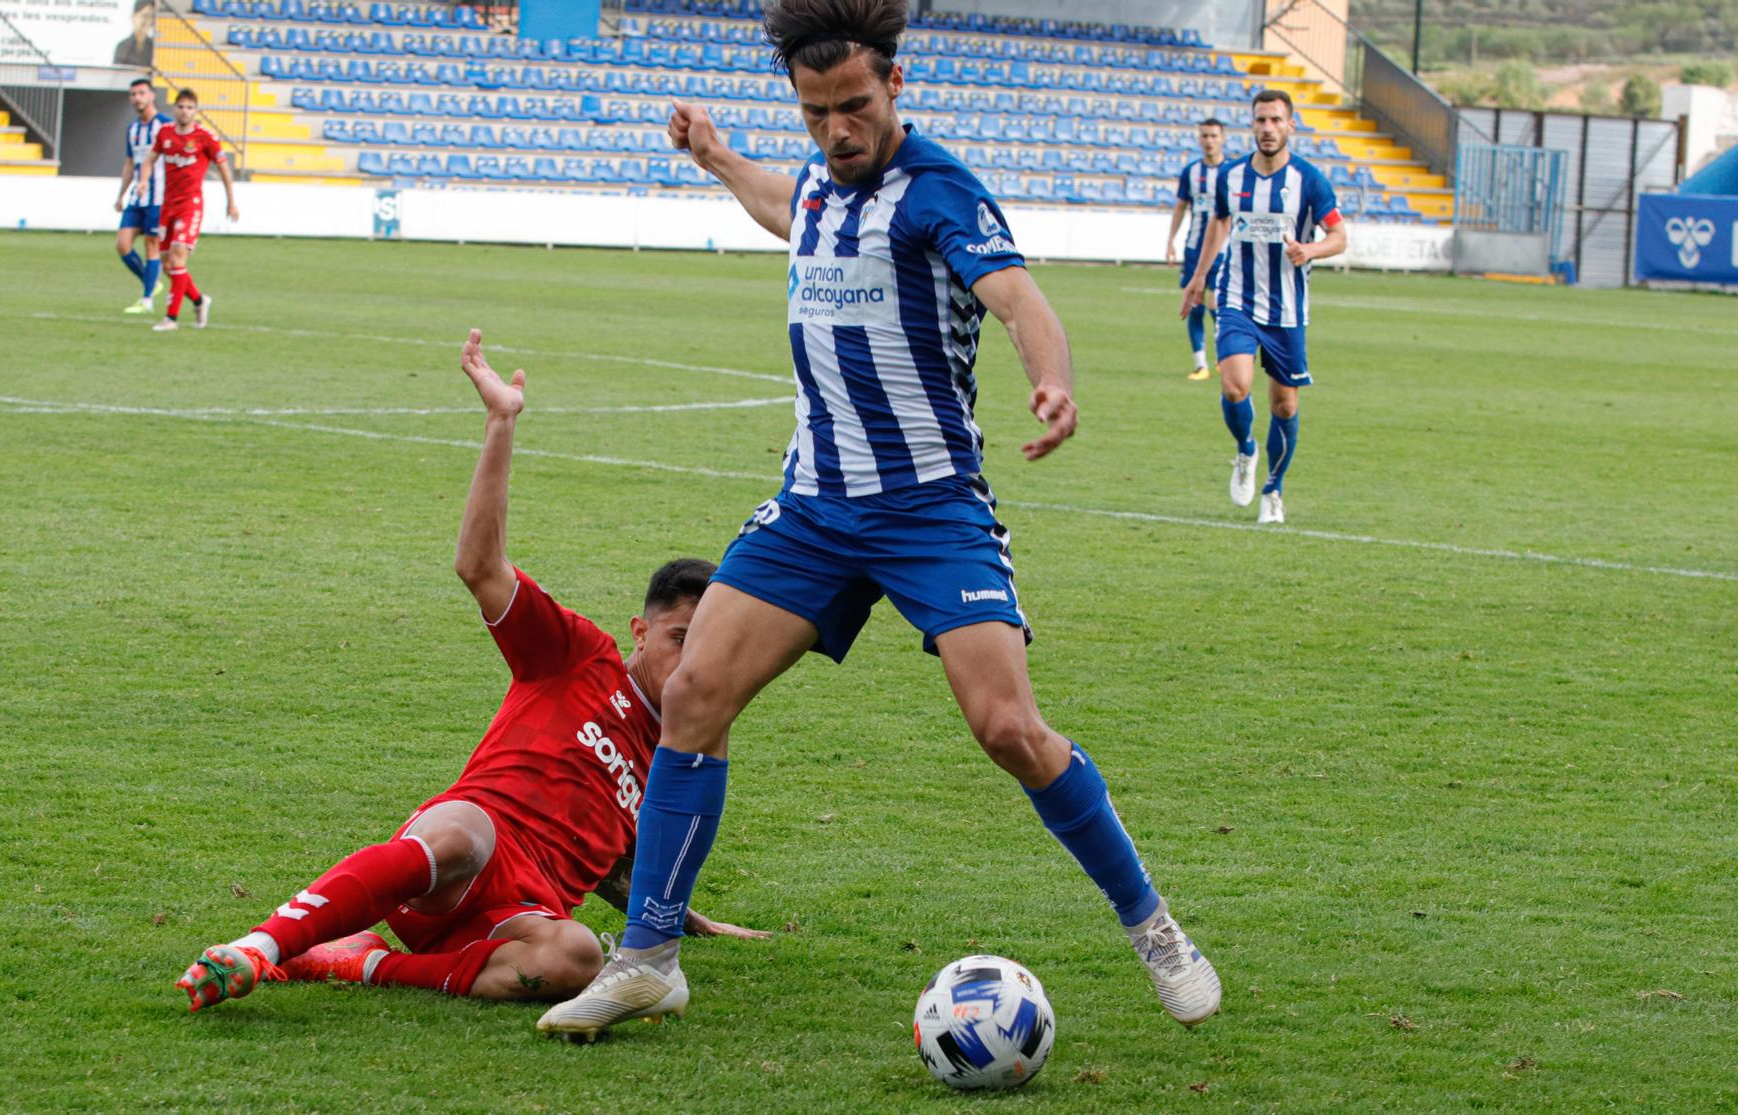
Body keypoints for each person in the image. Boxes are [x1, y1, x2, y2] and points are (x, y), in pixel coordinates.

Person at [539, 0, 1221, 1042]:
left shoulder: (939, 191)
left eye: (852, 106)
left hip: (930, 506)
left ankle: (1153, 926)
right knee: (692, 693)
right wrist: (721, 157)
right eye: (815, 112)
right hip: (813, 503)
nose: (835, 131)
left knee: (1007, 727)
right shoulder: (818, 172)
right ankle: (647, 958)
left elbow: (1018, 299)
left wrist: (1053, 382)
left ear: (894, 84)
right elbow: (790, 204)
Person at [176, 330, 764, 1012]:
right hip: (461, 856)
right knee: (459, 832)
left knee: (575, 957)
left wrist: (687, 920)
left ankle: (360, 964)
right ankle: (260, 947)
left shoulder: (681, 747)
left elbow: (622, 866)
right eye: (679, 638)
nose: (691, 660)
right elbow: (480, 568)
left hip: (519, 914)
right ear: (640, 630)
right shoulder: (578, 654)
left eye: (706, 646)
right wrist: (500, 424)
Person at [1181, 89, 1347, 524]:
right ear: (1252, 125)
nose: (1268, 128)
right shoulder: (1231, 177)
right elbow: (1219, 223)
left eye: (1276, 120)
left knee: (1284, 406)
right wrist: (1198, 279)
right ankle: (1245, 450)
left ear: (1291, 125)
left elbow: (1339, 237)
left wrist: (1310, 251)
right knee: (1235, 386)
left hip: (1287, 310)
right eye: (1260, 120)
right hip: (1236, 296)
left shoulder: (1309, 180)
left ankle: (1273, 488)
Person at [133, 88, 237, 333]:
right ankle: (200, 301)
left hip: (190, 206)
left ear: (196, 111)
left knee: (178, 255)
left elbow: (223, 169)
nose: (185, 111)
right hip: (167, 205)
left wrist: (230, 201)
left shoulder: (205, 137)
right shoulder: (165, 133)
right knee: (169, 266)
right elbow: (149, 159)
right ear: (174, 109)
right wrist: (143, 180)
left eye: (190, 107)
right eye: (181, 107)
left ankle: (171, 318)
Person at [1166, 118, 1227, 381]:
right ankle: (1201, 364)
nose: (1209, 140)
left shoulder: (1233, 173)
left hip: (1224, 251)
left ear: (1222, 138)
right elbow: (1180, 207)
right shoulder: (1190, 172)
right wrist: (1171, 240)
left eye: (1213, 135)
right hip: (1194, 249)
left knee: (1219, 306)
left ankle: (1224, 358)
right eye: (1204, 136)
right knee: (1194, 305)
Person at [113, 77, 168, 315]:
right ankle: (152, 282)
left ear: (152, 95)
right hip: (138, 197)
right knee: (123, 244)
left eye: (141, 93)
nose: (137, 98)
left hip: (159, 197)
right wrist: (121, 194)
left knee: (151, 245)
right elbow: (129, 163)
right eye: (133, 94)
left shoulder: (165, 126)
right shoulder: (133, 129)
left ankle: (147, 300)